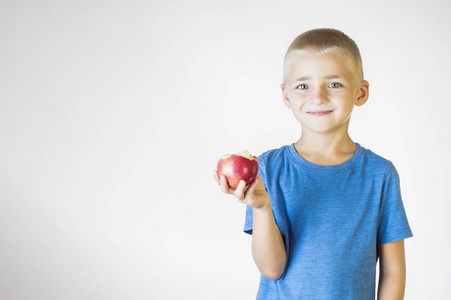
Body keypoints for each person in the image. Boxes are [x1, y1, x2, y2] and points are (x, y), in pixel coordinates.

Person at [213, 28, 413, 299]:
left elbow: (393, 271)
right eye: (303, 86)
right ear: (287, 96)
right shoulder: (267, 170)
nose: (317, 96)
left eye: (334, 84)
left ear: (361, 92)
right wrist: (261, 207)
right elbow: (272, 270)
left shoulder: (380, 174)